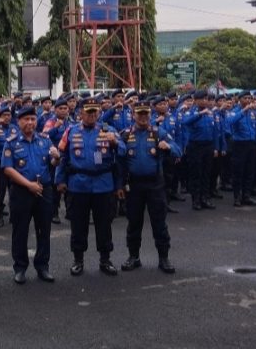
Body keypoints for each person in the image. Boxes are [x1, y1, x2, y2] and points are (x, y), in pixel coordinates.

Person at [56, 97, 125, 277]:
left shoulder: (108, 129)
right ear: (81, 113)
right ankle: (78, 260)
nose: (93, 115)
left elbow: (123, 152)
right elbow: (63, 157)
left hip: (103, 184)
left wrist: (115, 142)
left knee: (104, 224)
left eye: (95, 111)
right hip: (78, 184)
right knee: (78, 224)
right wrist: (60, 180)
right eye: (89, 111)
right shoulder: (71, 131)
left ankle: (105, 259)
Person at [117, 101, 179, 274]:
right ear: (133, 115)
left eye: (146, 114)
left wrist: (168, 147)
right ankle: (133, 257)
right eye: (140, 114)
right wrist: (119, 185)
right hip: (134, 185)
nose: (143, 117)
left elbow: (178, 150)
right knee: (134, 223)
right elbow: (120, 164)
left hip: (155, 184)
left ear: (150, 115)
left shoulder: (159, 133)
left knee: (159, 222)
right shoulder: (126, 135)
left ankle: (163, 258)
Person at [2, 106, 60, 284]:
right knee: (20, 230)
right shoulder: (11, 142)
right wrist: (29, 185)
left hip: (44, 190)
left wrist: (57, 157)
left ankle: (42, 266)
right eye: (26, 119)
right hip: (22, 191)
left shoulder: (44, 140)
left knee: (44, 229)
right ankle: (20, 268)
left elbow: (51, 162)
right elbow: (8, 169)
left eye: (33, 119)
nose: (30, 122)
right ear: (19, 122)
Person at [181, 90, 220, 211]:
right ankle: (196, 200)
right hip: (195, 146)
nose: (204, 101)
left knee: (206, 173)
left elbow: (215, 131)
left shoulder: (211, 113)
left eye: (206, 99)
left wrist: (215, 148)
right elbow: (185, 122)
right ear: (196, 101)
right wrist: (200, 114)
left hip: (208, 146)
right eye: (202, 99)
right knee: (196, 174)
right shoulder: (191, 112)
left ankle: (205, 198)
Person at [226, 91, 256, 207]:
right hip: (239, 144)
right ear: (239, 99)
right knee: (238, 172)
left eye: (249, 98)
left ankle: (247, 196)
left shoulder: (253, 112)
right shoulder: (234, 111)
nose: (248, 100)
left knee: (249, 171)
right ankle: (237, 197)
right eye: (245, 98)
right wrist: (243, 111)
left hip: (251, 144)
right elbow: (230, 122)